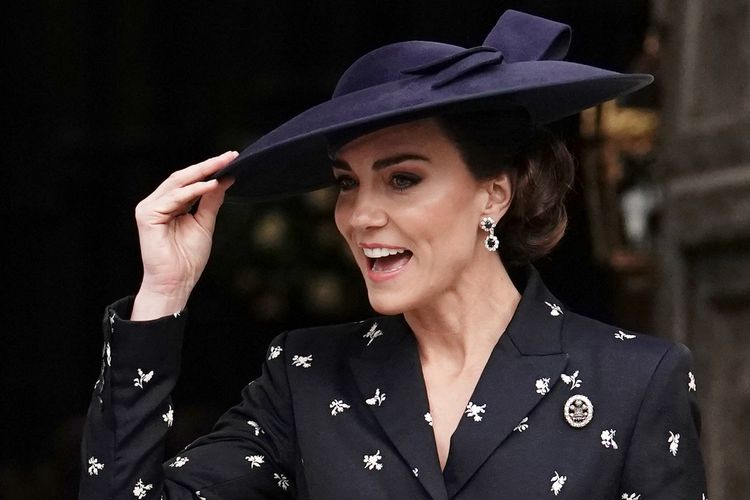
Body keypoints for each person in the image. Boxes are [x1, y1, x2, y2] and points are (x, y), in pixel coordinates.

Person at [79, 10, 708, 500]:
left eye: (402, 178)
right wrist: (162, 294)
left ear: (493, 193)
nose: (360, 216)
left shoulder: (634, 381)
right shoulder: (305, 376)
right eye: (347, 182)